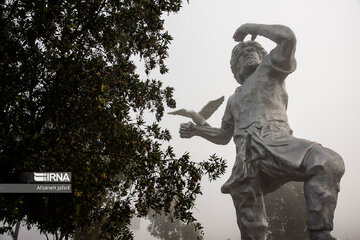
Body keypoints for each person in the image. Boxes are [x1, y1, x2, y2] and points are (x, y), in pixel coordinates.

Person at [179, 23, 345, 240]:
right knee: (252, 231)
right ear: (235, 70)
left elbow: (288, 39)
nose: (246, 54)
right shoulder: (233, 99)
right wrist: (196, 130)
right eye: (240, 56)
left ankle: (320, 233)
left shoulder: (271, 71)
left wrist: (251, 26)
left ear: (264, 56)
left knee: (327, 162)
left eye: (252, 50)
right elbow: (223, 135)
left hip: (275, 144)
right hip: (245, 163)